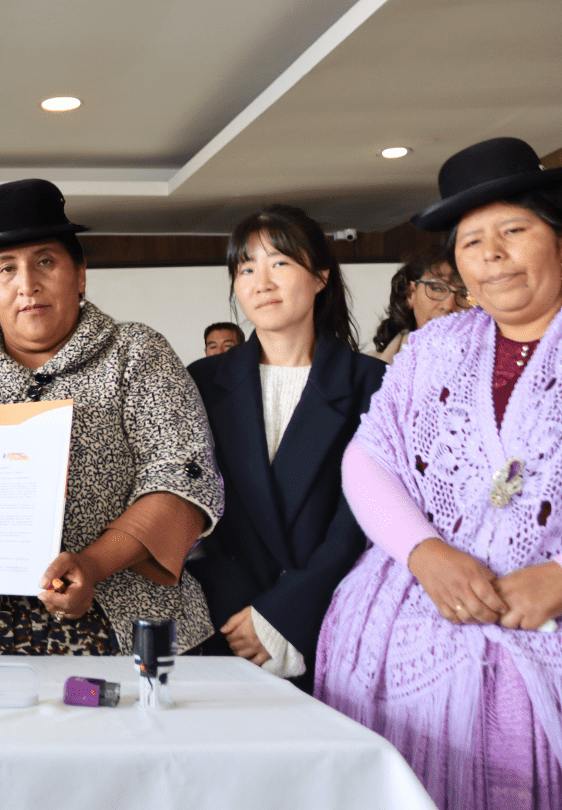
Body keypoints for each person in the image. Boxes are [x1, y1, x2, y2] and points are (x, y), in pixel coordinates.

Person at [0, 178, 223, 656]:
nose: (27, 284)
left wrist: (93, 565)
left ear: (80, 275)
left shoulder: (136, 353)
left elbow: (182, 476)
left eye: (45, 261)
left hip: (111, 616)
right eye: (6, 269)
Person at [315, 137, 562, 809]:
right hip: (398, 642)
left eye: (515, 230)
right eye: (472, 241)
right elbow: (370, 457)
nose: (493, 254)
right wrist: (424, 552)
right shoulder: (434, 348)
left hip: (538, 644)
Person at [186, 205, 386, 693]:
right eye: (246, 267)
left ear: (320, 276)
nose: (261, 281)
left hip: (325, 618)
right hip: (227, 624)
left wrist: (283, 613)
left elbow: (361, 518)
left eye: (279, 263)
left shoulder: (373, 382)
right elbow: (191, 505)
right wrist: (242, 611)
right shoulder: (203, 380)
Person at [367, 244, 469, 363]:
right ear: (411, 293)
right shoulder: (369, 368)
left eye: (464, 295)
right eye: (436, 288)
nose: (448, 305)